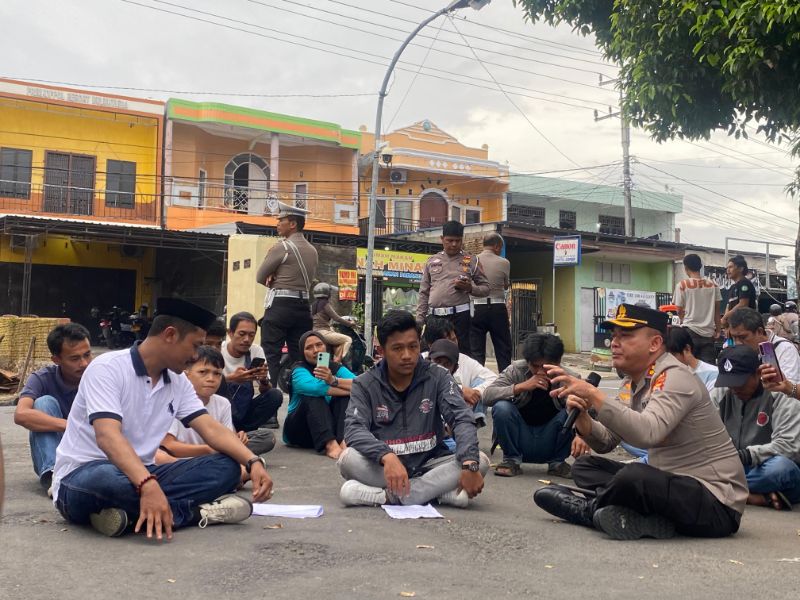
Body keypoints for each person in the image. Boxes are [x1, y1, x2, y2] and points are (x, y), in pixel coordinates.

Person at [52, 298, 273, 539]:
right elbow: (107, 436)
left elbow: (210, 428)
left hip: (146, 472)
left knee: (227, 467)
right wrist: (147, 484)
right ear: (170, 335)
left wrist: (252, 462)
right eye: (195, 345)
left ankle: (126, 516)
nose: (195, 355)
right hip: (83, 476)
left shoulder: (178, 381)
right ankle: (194, 514)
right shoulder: (107, 368)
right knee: (107, 479)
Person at [534, 303, 747, 540]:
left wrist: (593, 394)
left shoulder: (675, 376)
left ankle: (588, 510)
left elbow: (648, 433)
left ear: (654, 343)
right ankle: (642, 519)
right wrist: (583, 418)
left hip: (715, 503)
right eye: (614, 336)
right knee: (586, 467)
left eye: (625, 336)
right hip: (668, 486)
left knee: (634, 476)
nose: (614, 343)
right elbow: (606, 442)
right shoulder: (631, 382)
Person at [337, 310, 489, 508]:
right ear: (381, 350)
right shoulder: (364, 384)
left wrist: (469, 463)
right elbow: (354, 429)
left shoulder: (439, 376)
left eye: (413, 346)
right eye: (397, 348)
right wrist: (386, 456)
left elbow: (461, 418)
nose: (407, 355)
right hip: (384, 467)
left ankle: (388, 497)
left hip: (431, 464)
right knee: (347, 459)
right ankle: (437, 494)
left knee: (479, 461)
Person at [156, 345, 275, 471]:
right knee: (160, 457)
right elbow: (168, 445)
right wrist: (209, 449)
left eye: (217, 374)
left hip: (215, 454)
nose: (211, 379)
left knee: (266, 437)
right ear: (186, 374)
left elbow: (228, 439)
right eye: (203, 372)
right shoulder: (175, 401)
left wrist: (238, 438)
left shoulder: (223, 403)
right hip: (183, 458)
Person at [483, 333, 584, 479]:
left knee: (574, 408)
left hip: (551, 437)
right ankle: (511, 460)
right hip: (521, 436)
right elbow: (487, 396)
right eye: (535, 366)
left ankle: (557, 463)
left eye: (546, 367)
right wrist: (520, 387)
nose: (541, 372)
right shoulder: (516, 370)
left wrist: (582, 436)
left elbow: (588, 410)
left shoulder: (570, 378)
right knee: (502, 408)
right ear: (527, 362)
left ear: (558, 362)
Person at [712, 345, 800, 510]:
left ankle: (719, 490)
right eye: (729, 383)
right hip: (731, 467)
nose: (734, 389)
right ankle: (758, 497)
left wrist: (747, 455)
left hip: (764, 466)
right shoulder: (721, 392)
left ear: (758, 373)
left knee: (782, 469)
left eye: (740, 383)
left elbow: (788, 446)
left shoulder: (779, 394)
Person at [14, 323, 92, 494]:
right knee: (44, 403)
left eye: (87, 355)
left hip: (91, 449)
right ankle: (54, 476)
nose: (84, 363)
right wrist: (71, 425)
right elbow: (21, 414)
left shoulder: (100, 376)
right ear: (56, 360)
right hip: (57, 450)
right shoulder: (42, 379)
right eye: (75, 358)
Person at [257, 202, 319, 386]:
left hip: (280, 306)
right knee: (300, 356)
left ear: (292, 224)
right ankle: (302, 395)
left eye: (281, 220)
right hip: (303, 308)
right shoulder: (313, 250)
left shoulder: (282, 247)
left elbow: (260, 277)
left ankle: (271, 398)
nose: (277, 223)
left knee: (271, 354)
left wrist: (273, 277)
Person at [416, 220, 489, 357]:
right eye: (450, 240)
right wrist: (420, 319)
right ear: (442, 239)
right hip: (435, 317)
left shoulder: (471, 260)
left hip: (460, 318)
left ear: (462, 239)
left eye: (458, 240)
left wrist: (470, 288)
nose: (454, 244)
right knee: (429, 353)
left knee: (461, 355)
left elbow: (486, 288)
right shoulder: (431, 261)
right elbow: (424, 292)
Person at [283, 331, 355, 459]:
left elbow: (361, 384)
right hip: (299, 430)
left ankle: (343, 441)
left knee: (344, 397)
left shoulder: (336, 368)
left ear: (326, 347)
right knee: (313, 395)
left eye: (319, 345)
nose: (315, 350)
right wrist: (349, 389)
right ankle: (330, 445)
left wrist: (333, 380)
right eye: (309, 348)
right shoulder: (298, 370)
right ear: (302, 352)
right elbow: (317, 388)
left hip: (328, 427)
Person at [422, 316, 496, 427]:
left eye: (454, 339)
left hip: (460, 421)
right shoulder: (421, 361)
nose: (453, 345)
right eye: (447, 342)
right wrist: (460, 390)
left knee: (480, 383)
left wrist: (476, 392)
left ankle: (470, 424)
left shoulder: (463, 359)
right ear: (431, 345)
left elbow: (494, 379)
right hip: (429, 423)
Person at [221, 311, 283, 431]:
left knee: (275, 395)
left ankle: (244, 432)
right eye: (242, 334)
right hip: (222, 413)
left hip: (243, 411)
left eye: (251, 335)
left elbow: (265, 390)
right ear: (230, 333)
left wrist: (264, 380)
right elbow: (204, 384)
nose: (246, 339)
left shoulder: (256, 351)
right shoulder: (219, 350)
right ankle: (229, 433)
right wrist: (232, 379)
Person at [469, 233, 512, 371]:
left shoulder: (472, 260)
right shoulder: (504, 262)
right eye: (500, 248)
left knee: (476, 349)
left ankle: (476, 378)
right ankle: (506, 378)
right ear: (496, 246)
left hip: (475, 308)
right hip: (497, 307)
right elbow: (506, 285)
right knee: (503, 347)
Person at [727, 307, 800, 383]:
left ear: (760, 331)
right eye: (734, 337)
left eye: (742, 337)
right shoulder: (737, 351)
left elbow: (790, 386)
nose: (737, 343)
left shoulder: (785, 349)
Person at [673, 253, 722, 364]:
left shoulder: (682, 285)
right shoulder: (714, 285)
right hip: (708, 333)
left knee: (689, 367)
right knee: (707, 369)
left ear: (686, 268)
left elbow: (679, 310)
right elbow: (717, 311)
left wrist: (683, 319)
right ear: (700, 266)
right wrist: (718, 330)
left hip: (690, 331)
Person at [311, 282, 355, 363]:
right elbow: (336, 318)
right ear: (327, 293)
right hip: (323, 332)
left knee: (335, 343)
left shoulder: (314, 305)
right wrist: (350, 324)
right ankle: (338, 361)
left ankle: (326, 362)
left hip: (315, 331)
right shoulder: (325, 304)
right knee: (347, 339)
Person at [665, 326, 718, 392]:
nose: (668, 361)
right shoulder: (664, 376)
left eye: (672, 356)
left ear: (687, 349)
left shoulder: (713, 375)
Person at [721, 254, 757, 329]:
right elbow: (728, 306)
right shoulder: (732, 287)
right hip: (734, 326)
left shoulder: (744, 283)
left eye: (730, 267)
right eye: (727, 268)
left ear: (740, 269)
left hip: (745, 326)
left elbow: (743, 304)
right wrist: (726, 322)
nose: (728, 270)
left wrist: (725, 317)